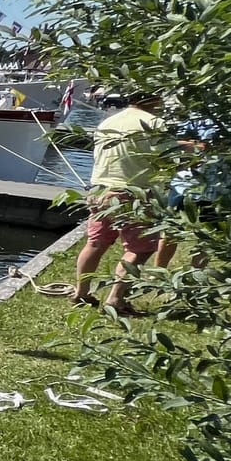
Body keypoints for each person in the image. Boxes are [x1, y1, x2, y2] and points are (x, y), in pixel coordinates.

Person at [74, 92, 169, 309]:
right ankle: (115, 299)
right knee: (140, 247)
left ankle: (81, 293)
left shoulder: (109, 120)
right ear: (154, 101)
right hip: (134, 192)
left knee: (96, 243)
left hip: (99, 190)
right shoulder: (155, 122)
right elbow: (166, 156)